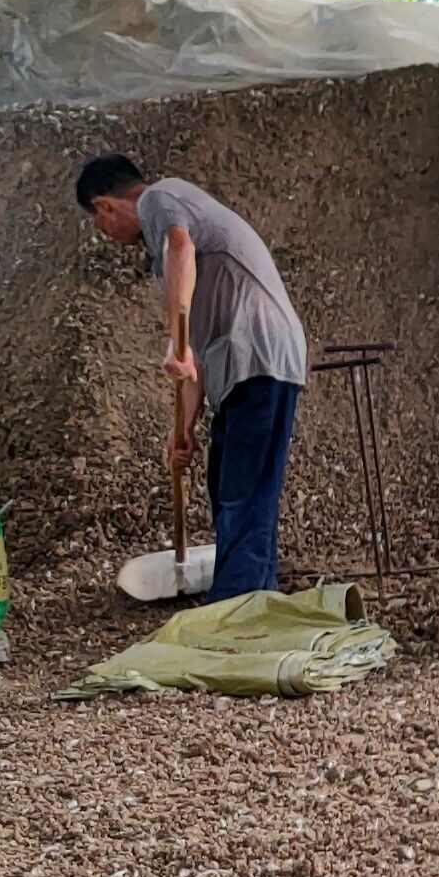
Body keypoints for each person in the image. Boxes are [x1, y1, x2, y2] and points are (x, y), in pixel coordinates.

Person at [74, 153, 309, 599]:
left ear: (105, 205)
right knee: (227, 483)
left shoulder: (160, 200)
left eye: (97, 221)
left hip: (259, 353)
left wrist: (178, 344)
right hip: (237, 366)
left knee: (245, 490)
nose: (103, 233)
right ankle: (255, 594)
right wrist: (181, 430)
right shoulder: (169, 254)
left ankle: (238, 606)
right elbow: (195, 351)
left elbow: (182, 251)